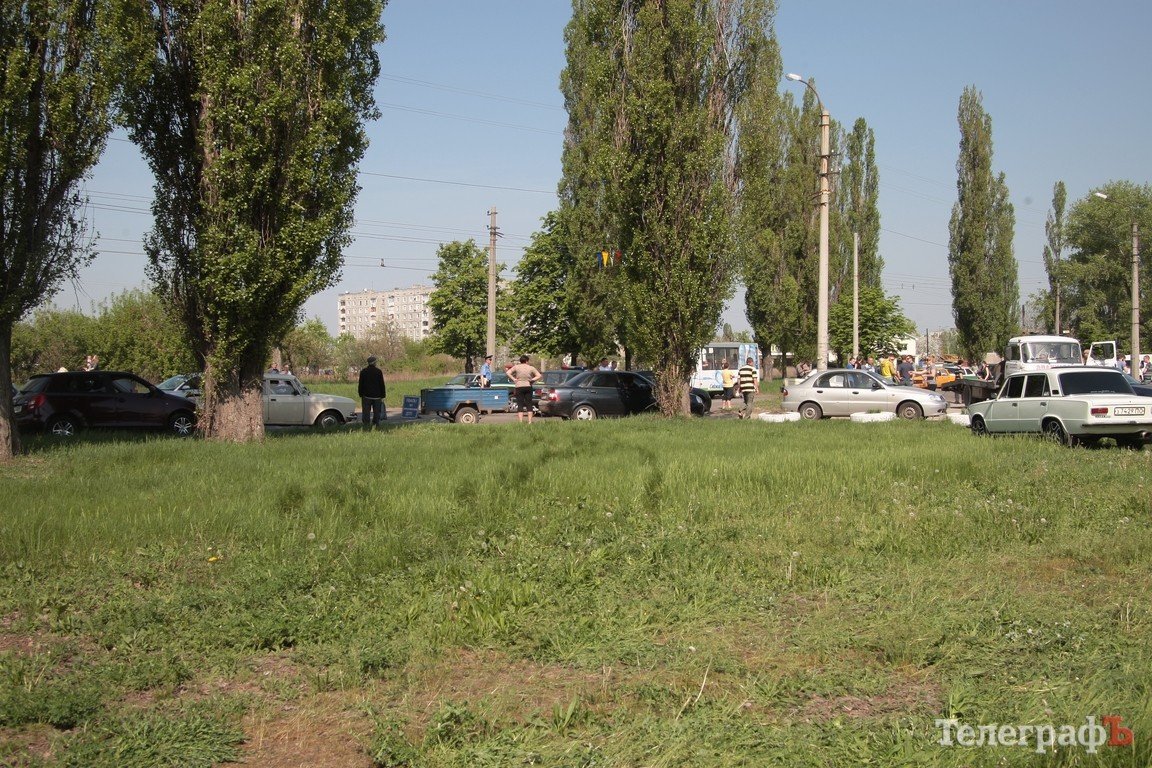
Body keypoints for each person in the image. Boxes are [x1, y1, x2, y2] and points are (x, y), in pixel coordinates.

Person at [507, 355, 542, 423]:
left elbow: (508, 372)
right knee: (529, 404)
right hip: (528, 386)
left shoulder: (516, 367)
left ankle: (520, 421)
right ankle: (529, 421)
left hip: (519, 386)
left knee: (520, 404)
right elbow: (539, 375)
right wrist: (532, 380)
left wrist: (514, 379)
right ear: (527, 361)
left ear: (520, 361)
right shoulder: (530, 368)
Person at [358, 356, 386, 426]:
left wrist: (360, 393)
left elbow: (360, 384)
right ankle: (376, 424)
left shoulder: (363, 372)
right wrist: (383, 395)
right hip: (377, 396)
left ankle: (366, 424)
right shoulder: (378, 371)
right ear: (374, 362)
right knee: (376, 412)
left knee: (366, 412)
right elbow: (381, 384)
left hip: (366, 395)